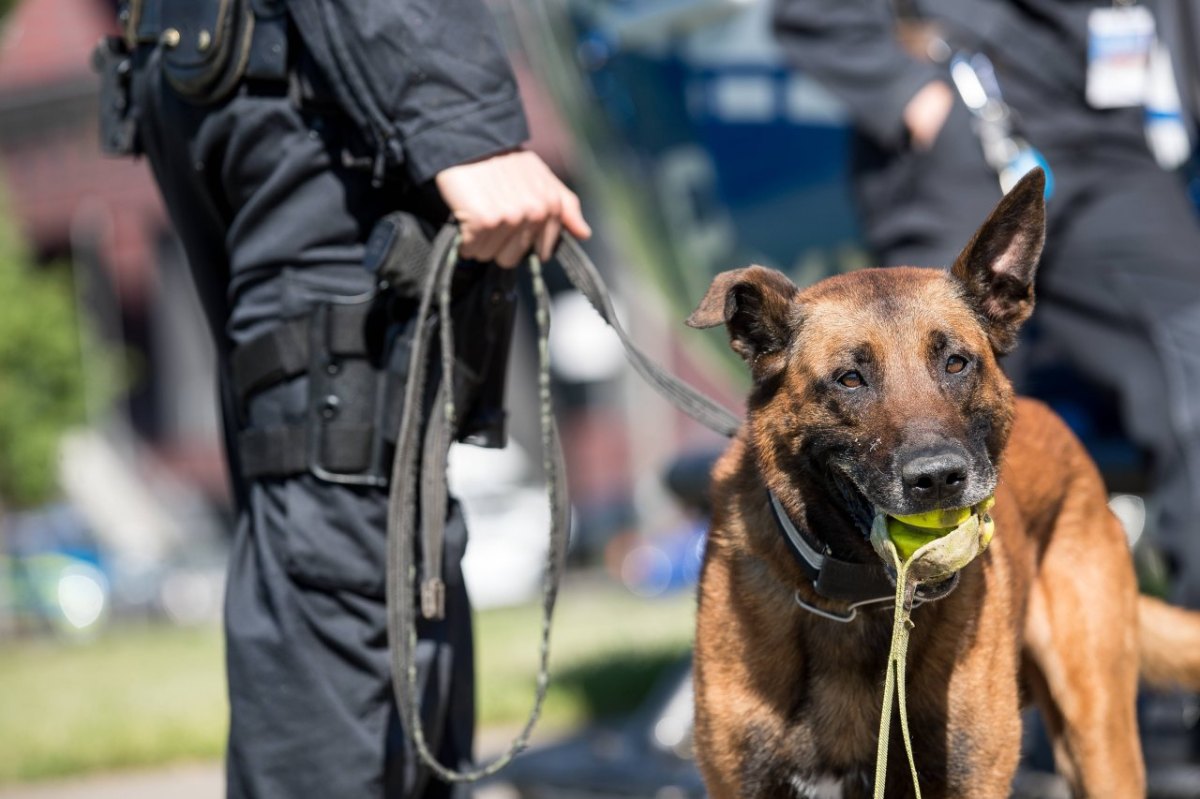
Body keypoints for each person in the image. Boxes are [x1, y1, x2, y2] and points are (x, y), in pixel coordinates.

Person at [97, 2, 589, 796]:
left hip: (257, 70)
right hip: (318, 99)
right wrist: (455, 116)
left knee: (376, 541)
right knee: (347, 539)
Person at [772, 0, 1200, 617]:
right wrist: (909, 92)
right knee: (918, 412)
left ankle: (1183, 693)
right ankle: (906, 692)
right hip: (965, 111)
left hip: (1110, 131)